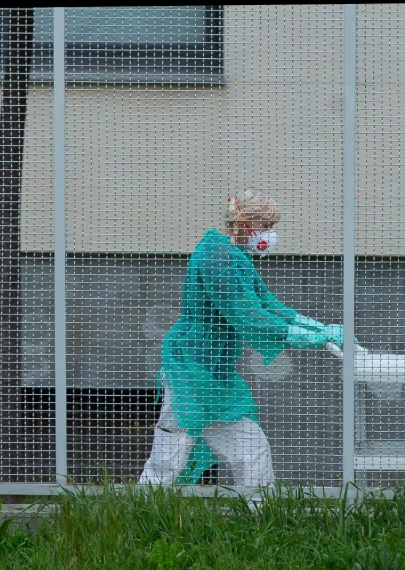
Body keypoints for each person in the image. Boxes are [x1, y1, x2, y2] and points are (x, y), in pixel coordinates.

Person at [138, 190, 343, 488]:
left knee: (250, 449)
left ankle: (262, 512)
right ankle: (141, 511)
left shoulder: (236, 256)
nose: (270, 234)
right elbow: (249, 316)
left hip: (214, 373)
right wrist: (308, 338)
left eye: (272, 226)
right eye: (265, 225)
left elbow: (266, 302)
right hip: (190, 369)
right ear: (244, 222)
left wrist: (313, 326)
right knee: (172, 451)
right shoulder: (217, 254)